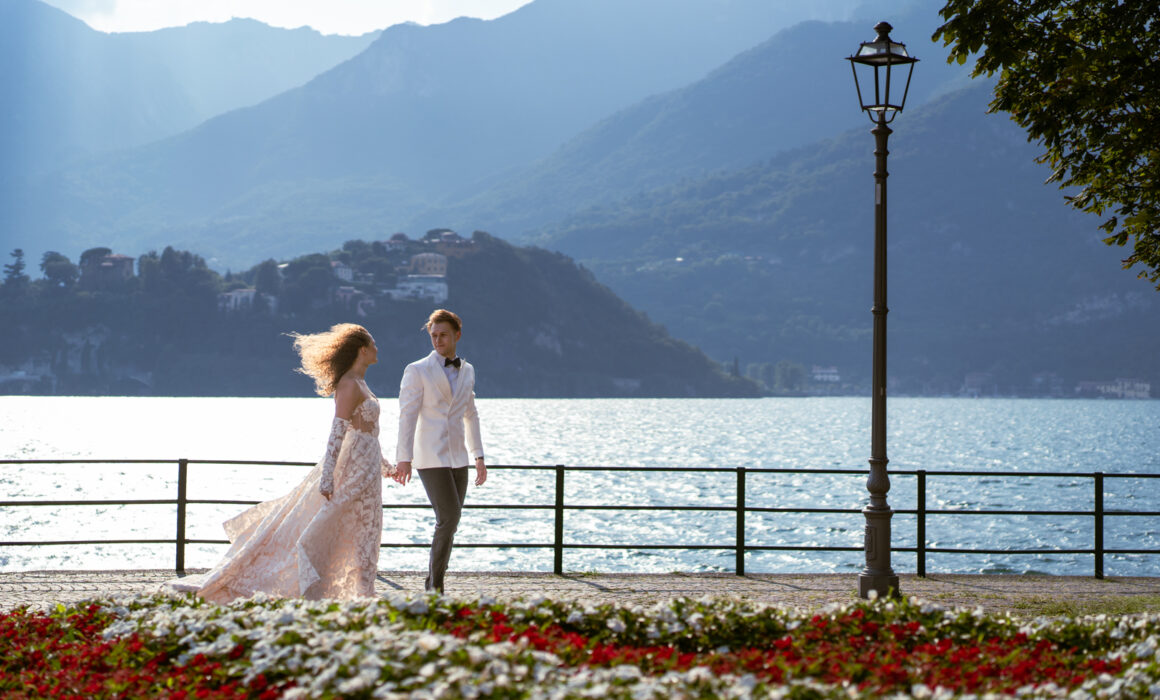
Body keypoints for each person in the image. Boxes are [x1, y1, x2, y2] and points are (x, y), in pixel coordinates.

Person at [165, 323, 394, 602]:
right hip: (352, 471)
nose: (377, 349)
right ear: (362, 349)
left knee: (366, 529)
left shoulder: (362, 383)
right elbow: (338, 433)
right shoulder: (348, 384)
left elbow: (368, 433)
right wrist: (327, 477)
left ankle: (363, 591)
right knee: (326, 528)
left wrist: (386, 466)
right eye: (373, 344)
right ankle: (320, 588)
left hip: (368, 472)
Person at [394, 309, 486, 594]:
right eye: (433, 335)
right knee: (448, 518)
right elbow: (407, 415)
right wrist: (403, 459)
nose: (437, 340)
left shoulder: (467, 370)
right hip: (430, 455)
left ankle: (433, 582)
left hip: (458, 457)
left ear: (457, 335)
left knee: (452, 521)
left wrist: (479, 456)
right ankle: (435, 586)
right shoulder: (417, 370)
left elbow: (471, 414)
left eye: (443, 335)